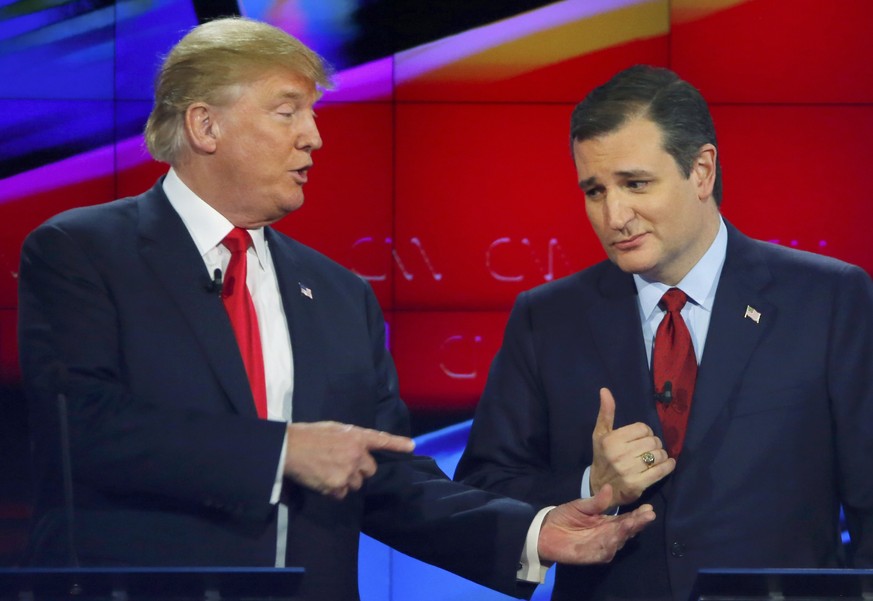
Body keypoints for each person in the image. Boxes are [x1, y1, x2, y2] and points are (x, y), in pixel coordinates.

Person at [16, 17, 656, 601]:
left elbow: (383, 478)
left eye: (312, 115)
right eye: (288, 112)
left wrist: (533, 532)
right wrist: (279, 451)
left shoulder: (340, 295)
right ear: (205, 126)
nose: (315, 138)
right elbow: (85, 429)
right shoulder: (83, 252)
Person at [454, 64, 873, 601]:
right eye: (594, 190)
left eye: (635, 184)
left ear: (701, 171)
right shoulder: (547, 317)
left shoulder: (828, 300)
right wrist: (590, 486)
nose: (614, 215)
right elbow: (484, 486)